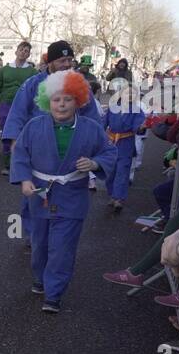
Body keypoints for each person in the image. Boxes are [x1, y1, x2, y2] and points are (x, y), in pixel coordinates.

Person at [10, 70, 117, 313]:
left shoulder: (91, 128)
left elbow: (109, 152)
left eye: (67, 99)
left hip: (72, 196)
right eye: (57, 99)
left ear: (78, 101)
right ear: (48, 101)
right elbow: (21, 154)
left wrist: (95, 163)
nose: (61, 104)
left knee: (63, 247)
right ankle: (40, 278)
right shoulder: (34, 125)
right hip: (39, 194)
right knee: (40, 244)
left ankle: (54, 294)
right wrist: (24, 180)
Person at [2, 40, 103, 239]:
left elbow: (92, 119)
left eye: (69, 60)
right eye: (61, 60)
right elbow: (18, 112)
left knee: (66, 195)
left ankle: (59, 235)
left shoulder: (80, 86)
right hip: (37, 151)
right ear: (50, 62)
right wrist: (14, 141)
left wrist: (94, 150)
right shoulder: (32, 84)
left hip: (69, 149)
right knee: (34, 195)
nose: (66, 64)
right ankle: (34, 236)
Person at [0, 42, 36, 174]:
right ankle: (7, 165)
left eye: (26, 51)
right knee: (7, 135)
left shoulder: (33, 72)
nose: (23, 52)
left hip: (25, 108)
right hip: (6, 106)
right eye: (21, 49)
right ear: (16, 51)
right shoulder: (4, 70)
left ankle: (21, 164)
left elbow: (37, 93)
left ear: (28, 54)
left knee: (23, 136)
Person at [102, 84, 146, 212]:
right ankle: (112, 194)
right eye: (127, 93)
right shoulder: (113, 108)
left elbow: (138, 126)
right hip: (110, 144)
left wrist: (141, 127)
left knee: (123, 171)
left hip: (126, 143)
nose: (130, 95)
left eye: (133, 93)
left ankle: (118, 198)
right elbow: (103, 124)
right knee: (110, 172)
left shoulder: (137, 110)